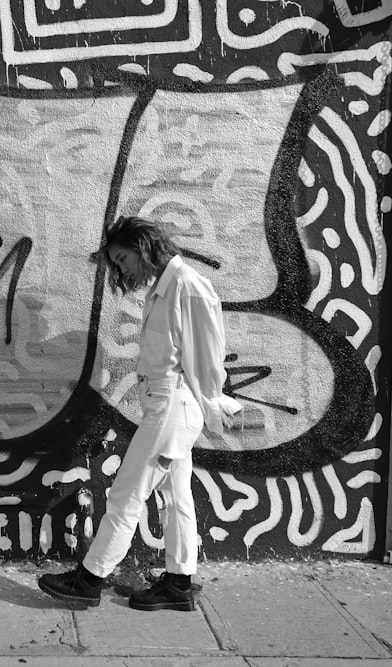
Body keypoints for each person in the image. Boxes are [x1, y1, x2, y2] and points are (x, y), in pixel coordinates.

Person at [38, 215, 240, 611]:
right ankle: (179, 583)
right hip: (165, 406)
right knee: (176, 495)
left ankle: (90, 579)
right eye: (117, 262)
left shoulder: (188, 287)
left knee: (126, 494)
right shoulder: (163, 288)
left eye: (123, 258)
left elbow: (207, 356)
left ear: (144, 246)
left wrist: (215, 403)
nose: (121, 268)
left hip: (172, 407)